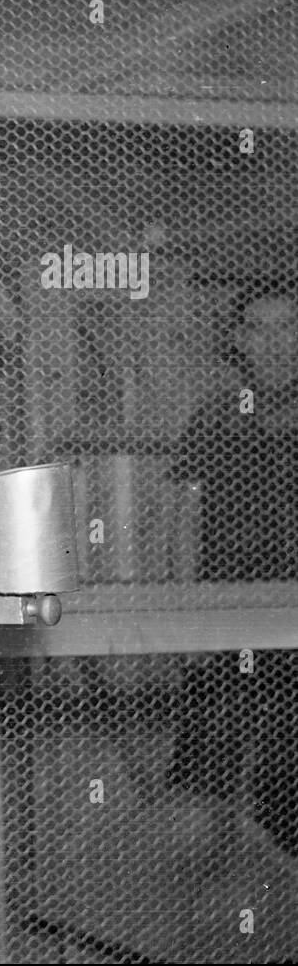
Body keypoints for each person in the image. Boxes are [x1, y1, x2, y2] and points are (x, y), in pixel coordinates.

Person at [166, 280, 298, 861]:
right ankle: (210, 885)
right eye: (260, 328)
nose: (274, 342)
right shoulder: (218, 415)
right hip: (225, 615)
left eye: (286, 326)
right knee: (209, 763)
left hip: (293, 617)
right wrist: (186, 612)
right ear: (240, 339)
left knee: (284, 767)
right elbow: (185, 514)